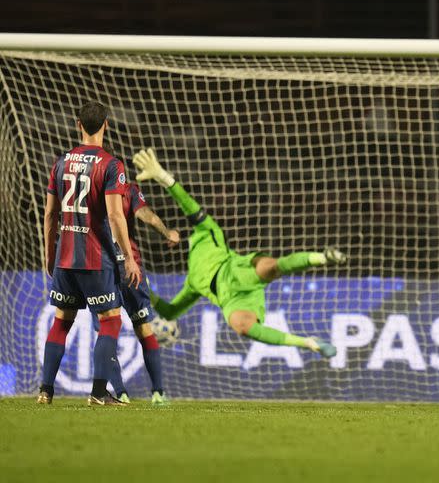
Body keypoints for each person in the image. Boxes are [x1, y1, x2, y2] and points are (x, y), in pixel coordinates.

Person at [132, 148, 343, 357]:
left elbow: (188, 204)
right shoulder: (193, 283)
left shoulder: (209, 232)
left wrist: (163, 176)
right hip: (233, 301)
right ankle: (308, 343)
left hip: (238, 270)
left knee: (270, 267)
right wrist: (148, 293)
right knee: (241, 325)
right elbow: (170, 312)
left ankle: (323, 257)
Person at [39, 101, 140, 406]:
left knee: (61, 321)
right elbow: (115, 216)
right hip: (96, 259)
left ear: (78, 124)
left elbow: (50, 215)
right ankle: (98, 393)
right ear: (106, 125)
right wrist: (129, 257)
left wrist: (49, 255)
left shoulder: (60, 162)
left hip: (65, 257)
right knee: (110, 321)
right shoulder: (111, 165)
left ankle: (45, 390)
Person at [90, 180, 180, 405]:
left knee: (106, 331)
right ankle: (158, 393)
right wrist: (167, 232)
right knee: (144, 328)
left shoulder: (87, 190)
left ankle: (121, 393)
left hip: (98, 267)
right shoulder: (128, 189)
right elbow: (147, 215)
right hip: (130, 267)